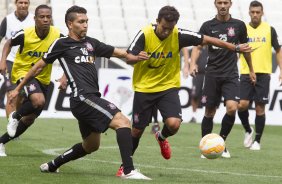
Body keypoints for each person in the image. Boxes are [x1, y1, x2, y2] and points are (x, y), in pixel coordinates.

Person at [9, 5, 151, 180]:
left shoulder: (92, 43)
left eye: (87, 21)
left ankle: (52, 165)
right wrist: (17, 88)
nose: (85, 25)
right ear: (70, 24)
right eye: (81, 22)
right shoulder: (61, 44)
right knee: (123, 121)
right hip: (82, 97)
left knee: (91, 145)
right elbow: (38, 67)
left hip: (88, 99)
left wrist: (135, 57)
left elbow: (121, 53)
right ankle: (128, 170)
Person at [116, 5, 252, 176]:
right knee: (137, 130)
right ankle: (125, 166)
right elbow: (128, 57)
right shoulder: (145, 33)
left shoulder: (178, 34)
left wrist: (235, 48)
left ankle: (161, 137)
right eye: (164, 27)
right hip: (144, 88)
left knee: (174, 124)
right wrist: (136, 58)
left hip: (168, 87)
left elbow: (207, 39)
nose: (167, 32)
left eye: (170, 28)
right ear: (157, 21)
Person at [189, 0, 256, 158]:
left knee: (232, 108)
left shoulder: (239, 25)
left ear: (230, 4)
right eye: (220, 2)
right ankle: (205, 147)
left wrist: (251, 69)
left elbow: (245, 49)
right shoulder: (207, 26)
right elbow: (197, 47)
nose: (223, 5)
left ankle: (222, 144)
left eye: (226, 2)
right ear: (215, 4)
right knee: (209, 112)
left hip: (231, 74)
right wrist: (192, 64)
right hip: (212, 74)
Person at [0, 4, 63, 157]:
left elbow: (66, 53)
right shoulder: (25, 33)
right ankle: (14, 116)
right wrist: (2, 61)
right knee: (38, 100)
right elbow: (8, 43)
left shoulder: (58, 35)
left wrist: (65, 75)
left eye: (48, 17)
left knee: (29, 119)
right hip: (23, 71)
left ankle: (1, 142)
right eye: (42, 17)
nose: (46, 20)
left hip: (43, 78)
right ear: (35, 19)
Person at [237, 1, 282, 150]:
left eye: (258, 12)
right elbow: (235, 49)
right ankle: (248, 129)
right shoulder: (242, 29)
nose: (255, 14)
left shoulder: (270, 29)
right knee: (242, 105)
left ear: (262, 13)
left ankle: (257, 141)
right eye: (252, 12)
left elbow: (278, 50)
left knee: (259, 109)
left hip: (263, 74)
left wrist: (281, 70)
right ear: (249, 13)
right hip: (245, 72)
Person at [0, 0, 34, 118]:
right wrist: (2, 61)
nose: (23, 5)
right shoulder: (8, 20)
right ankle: (11, 127)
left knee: (21, 96)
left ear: (29, 4)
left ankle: (15, 121)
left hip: (27, 64)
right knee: (11, 94)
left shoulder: (35, 19)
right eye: (20, 2)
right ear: (16, 3)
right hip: (11, 61)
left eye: (26, 3)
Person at [183, 47, 208, 123]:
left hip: (208, 75)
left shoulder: (210, 48)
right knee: (194, 95)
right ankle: (194, 115)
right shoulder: (194, 49)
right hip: (197, 75)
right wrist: (191, 65)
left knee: (208, 96)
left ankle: (208, 116)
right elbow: (188, 60)